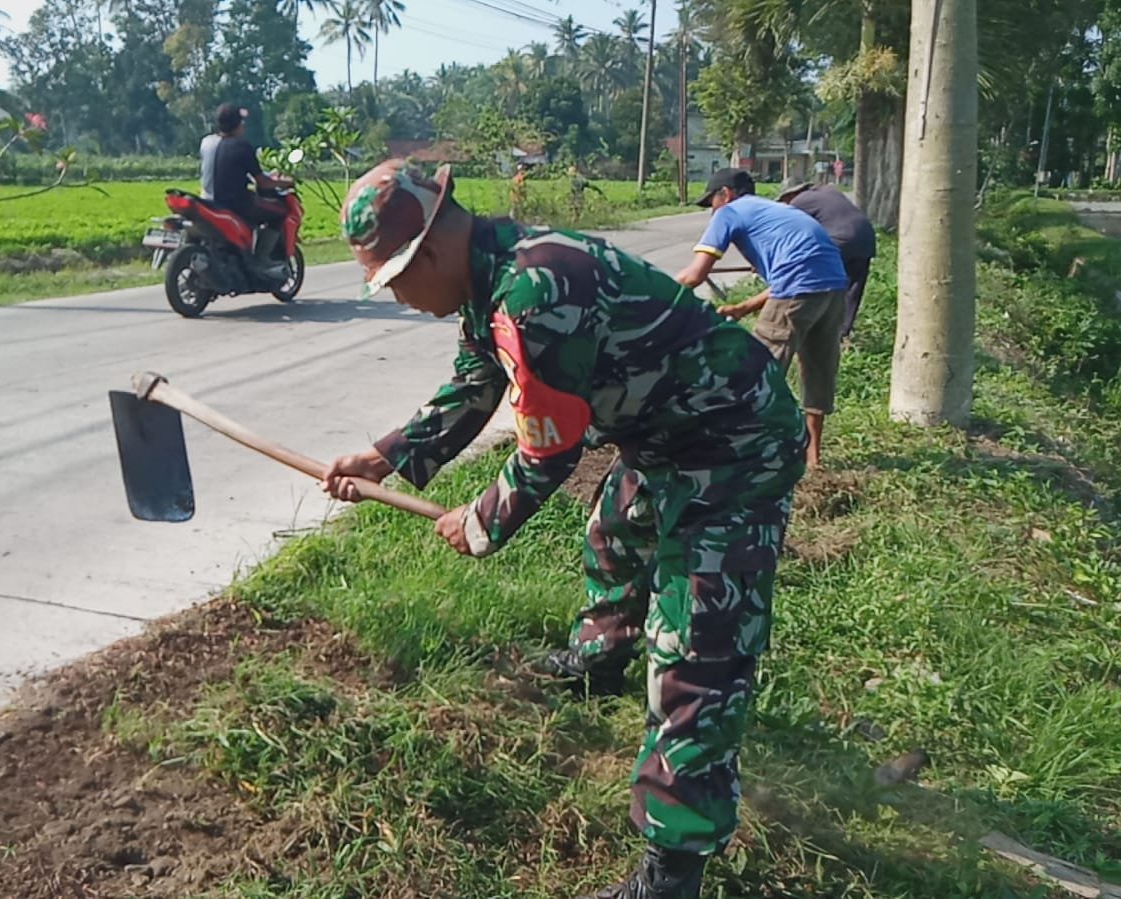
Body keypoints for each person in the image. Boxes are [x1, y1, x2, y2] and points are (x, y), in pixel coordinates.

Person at [321, 159, 807, 899]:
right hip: (667, 436)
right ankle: (597, 658)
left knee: (698, 644)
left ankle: (669, 871)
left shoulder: (533, 290)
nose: (395, 296)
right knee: (615, 534)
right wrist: (386, 455)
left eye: (394, 276)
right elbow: (475, 380)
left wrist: (480, 519)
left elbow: (549, 444)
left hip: (734, 443)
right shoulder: (495, 279)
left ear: (433, 247)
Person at [675, 168, 846, 469]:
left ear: (725, 194)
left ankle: (743, 456)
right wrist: (743, 308)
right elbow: (795, 278)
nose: (711, 211)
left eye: (711, 202)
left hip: (801, 285)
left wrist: (649, 292)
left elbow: (694, 275)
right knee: (819, 368)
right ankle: (813, 458)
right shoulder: (775, 210)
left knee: (754, 369)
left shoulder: (729, 212)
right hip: (833, 286)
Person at [776, 180, 877, 339]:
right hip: (866, 239)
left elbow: (788, 232)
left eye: (785, 199)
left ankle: (809, 329)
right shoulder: (829, 191)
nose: (785, 203)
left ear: (792, 193)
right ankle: (843, 333)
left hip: (840, 239)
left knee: (816, 281)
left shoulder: (799, 201)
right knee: (852, 288)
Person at [209, 103, 293, 274]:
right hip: (239, 204)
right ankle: (261, 259)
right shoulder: (242, 147)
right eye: (241, 122)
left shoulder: (212, 144)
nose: (244, 125)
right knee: (279, 212)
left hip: (214, 202)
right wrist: (285, 182)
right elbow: (262, 182)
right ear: (237, 125)